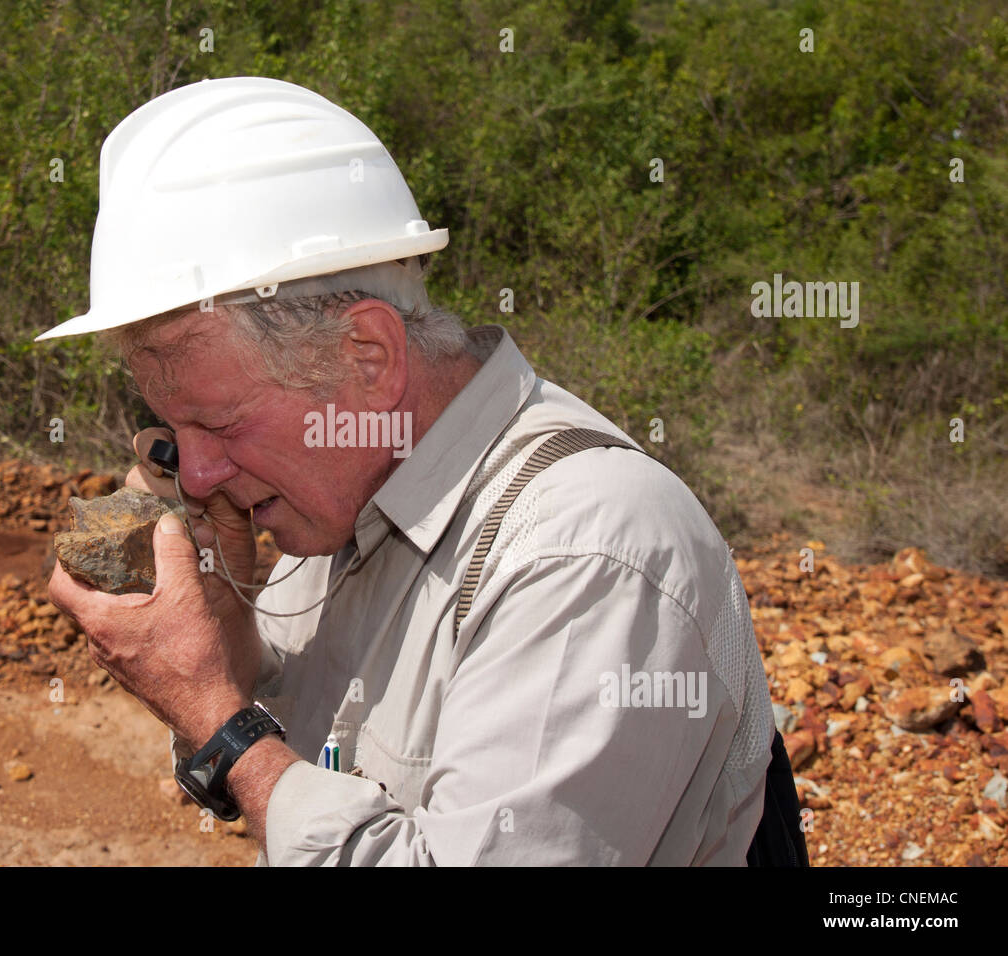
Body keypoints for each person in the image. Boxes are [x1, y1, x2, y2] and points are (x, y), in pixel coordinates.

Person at [39, 77, 778, 865]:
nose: (196, 470)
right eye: (174, 429)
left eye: (219, 423)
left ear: (369, 356)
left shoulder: (585, 552)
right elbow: (319, 745)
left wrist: (220, 724)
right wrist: (229, 639)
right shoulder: (346, 498)